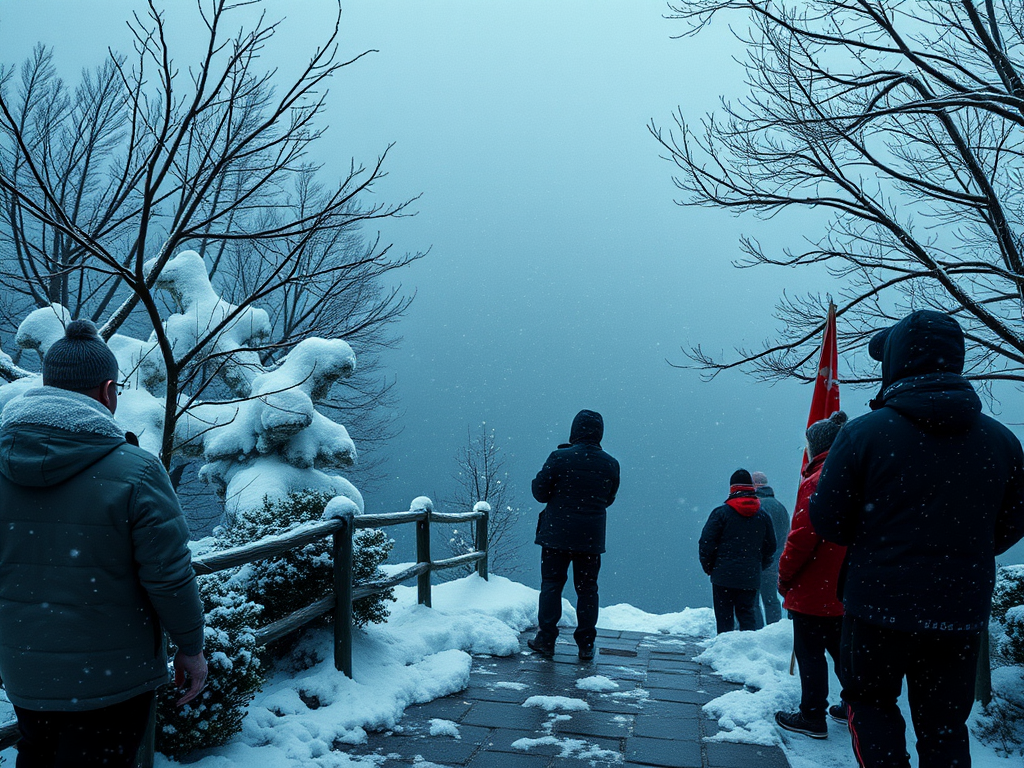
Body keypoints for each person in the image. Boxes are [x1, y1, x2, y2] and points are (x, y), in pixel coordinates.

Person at [810, 310, 1024, 768]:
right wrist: (962, 551)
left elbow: (828, 520)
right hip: (959, 609)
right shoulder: (1001, 442)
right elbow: (1010, 525)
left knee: (870, 704)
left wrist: (878, 546)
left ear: (896, 361)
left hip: (876, 607)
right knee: (945, 725)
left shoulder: (863, 435)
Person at [0, 320, 208, 768]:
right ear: (108, 390)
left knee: (37, 756)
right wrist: (191, 647)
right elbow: (169, 576)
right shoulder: (135, 472)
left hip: (26, 671)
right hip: (113, 678)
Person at [774, 411, 849, 740]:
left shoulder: (818, 478)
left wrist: (784, 576)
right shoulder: (855, 473)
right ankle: (854, 704)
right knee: (842, 649)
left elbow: (802, 536)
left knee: (810, 652)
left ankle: (812, 716)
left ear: (815, 446)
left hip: (814, 584)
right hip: (846, 583)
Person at [529, 409, 620, 661]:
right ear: (599, 432)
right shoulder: (611, 464)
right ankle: (586, 645)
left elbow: (539, 492)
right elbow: (608, 498)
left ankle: (546, 640)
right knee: (588, 590)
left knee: (551, 586)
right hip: (590, 539)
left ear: (574, 430)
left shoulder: (559, 457)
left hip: (556, 535)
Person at [699, 469, 777, 634]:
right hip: (750, 575)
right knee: (747, 615)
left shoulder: (721, 513)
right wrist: (757, 565)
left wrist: (710, 567)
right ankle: (746, 653)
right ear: (751, 488)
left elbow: (706, 543)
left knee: (724, 617)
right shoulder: (763, 515)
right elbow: (771, 547)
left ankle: (724, 653)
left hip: (723, 575)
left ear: (732, 489)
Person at [751, 470, 789, 628]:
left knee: (752, 602)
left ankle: (756, 634)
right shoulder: (780, 507)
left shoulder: (757, 506)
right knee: (771, 600)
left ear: (754, 485)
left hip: (758, 562)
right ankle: (774, 631)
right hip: (775, 563)